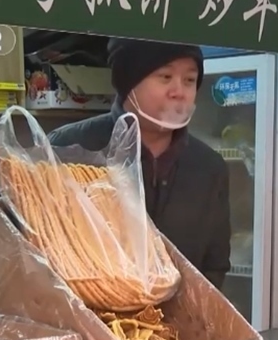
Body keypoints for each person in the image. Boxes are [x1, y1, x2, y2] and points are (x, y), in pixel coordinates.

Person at [48, 38, 231, 289]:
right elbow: (40, 252)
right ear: (128, 82)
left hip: (178, 313)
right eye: (165, 77)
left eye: (189, 80)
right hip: (85, 310)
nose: (179, 92)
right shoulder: (67, 148)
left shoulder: (209, 167)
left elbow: (214, 266)